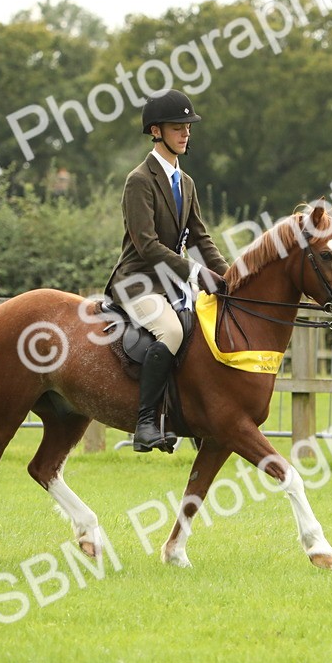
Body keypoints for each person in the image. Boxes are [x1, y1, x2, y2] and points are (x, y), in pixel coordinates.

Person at [104, 89, 229, 452]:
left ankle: (184, 415)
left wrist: (230, 278)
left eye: (188, 127)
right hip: (137, 283)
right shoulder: (139, 180)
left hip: (172, 285)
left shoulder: (185, 183)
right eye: (178, 127)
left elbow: (203, 238)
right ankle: (145, 423)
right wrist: (194, 272)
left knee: (203, 332)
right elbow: (146, 243)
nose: (186, 133)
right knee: (172, 332)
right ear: (156, 131)